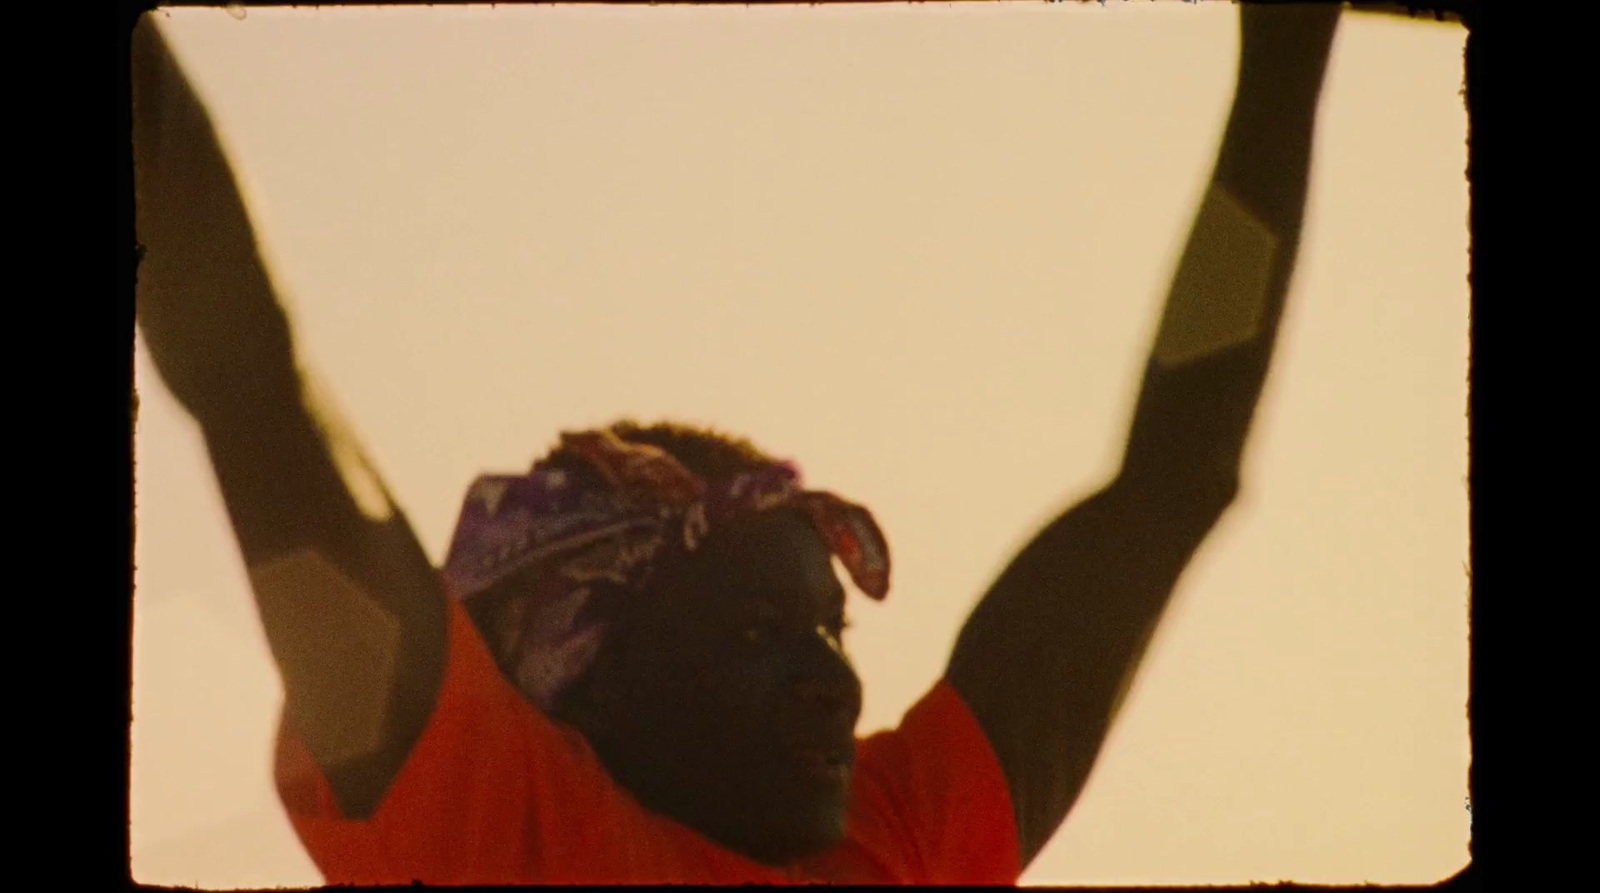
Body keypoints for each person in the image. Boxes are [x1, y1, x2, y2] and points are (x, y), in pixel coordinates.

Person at [132, 3, 1343, 884]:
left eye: (828, 626)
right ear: (578, 675)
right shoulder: (483, 818)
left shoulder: (901, 837)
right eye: (760, 635)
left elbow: (1172, 480)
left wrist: (1285, 64)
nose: (835, 678)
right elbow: (253, 388)